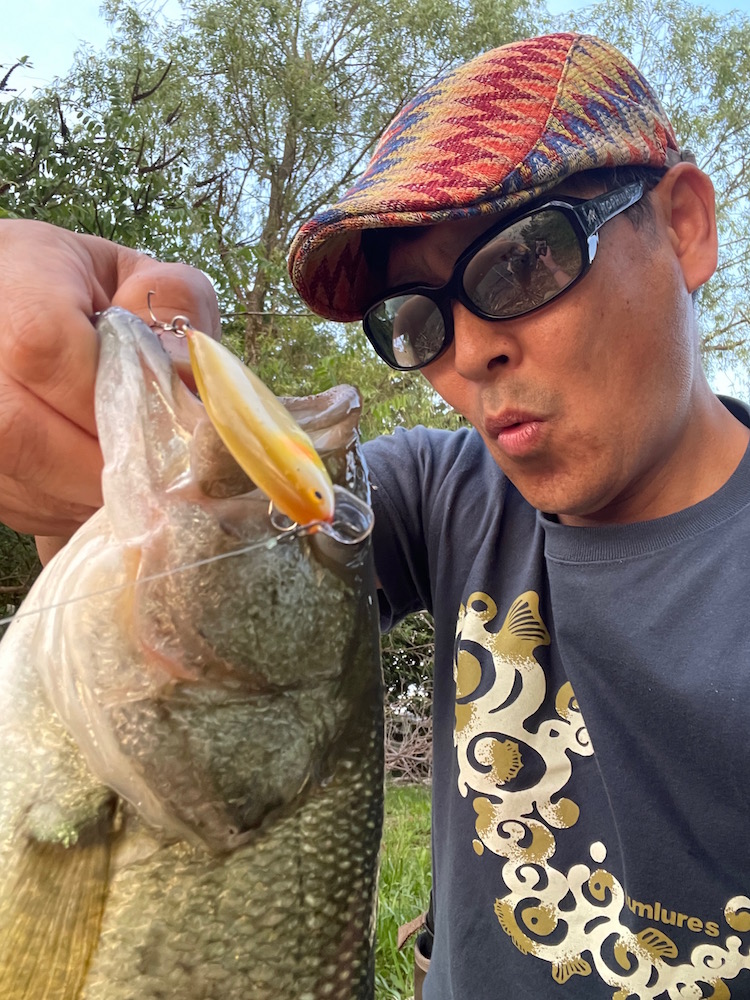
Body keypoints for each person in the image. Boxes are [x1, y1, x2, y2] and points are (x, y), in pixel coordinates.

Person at [0, 29, 749, 999]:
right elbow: (222, 580)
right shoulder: (450, 494)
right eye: (416, 318)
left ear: (685, 227)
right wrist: (59, 384)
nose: (469, 353)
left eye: (521, 263)